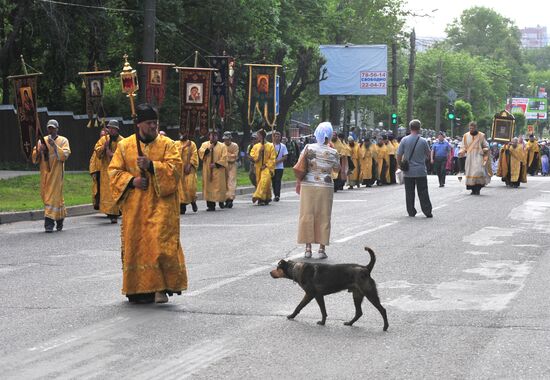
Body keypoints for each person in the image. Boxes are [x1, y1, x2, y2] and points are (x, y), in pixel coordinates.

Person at [108, 103, 188, 304]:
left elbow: (175, 169)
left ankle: (161, 287)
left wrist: (152, 166)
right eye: (150, 123)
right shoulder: (125, 146)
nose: (154, 126)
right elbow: (114, 171)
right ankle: (137, 289)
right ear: (139, 124)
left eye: (156, 122)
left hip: (162, 205)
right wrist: (132, 181)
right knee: (137, 246)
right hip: (135, 207)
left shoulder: (168, 144)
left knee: (159, 244)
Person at [296, 122, 340, 259]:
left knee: (307, 214)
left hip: (308, 185)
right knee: (324, 216)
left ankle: (308, 248)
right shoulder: (333, 151)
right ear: (329, 135)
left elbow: (300, 164)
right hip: (325, 187)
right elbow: (336, 169)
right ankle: (321, 249)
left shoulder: (308, 148)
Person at [32, 119, 71, 232]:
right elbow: (35, 158)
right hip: (45, 174)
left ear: (57, 129)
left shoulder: (63, 140)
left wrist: (54, 146)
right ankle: (60, 220)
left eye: (53, 128)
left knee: (51, 197)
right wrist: (39, 150)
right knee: (49, 196)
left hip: (57, 174)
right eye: (49, 128)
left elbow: (65, 155)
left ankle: (48, 224)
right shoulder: (42, 141)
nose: (51, 130)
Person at [396, 119, 433, 218]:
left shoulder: (404, 140)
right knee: (423, 191)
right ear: (419, 128)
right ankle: (427, 211)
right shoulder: (423, 141)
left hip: (408, 171)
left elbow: (399, 155)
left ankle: (411, 211)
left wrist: (400, 165)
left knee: (409, 192)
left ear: (410, 128)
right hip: (421, 171)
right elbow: (429, 154)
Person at [93, 120, 123, 223]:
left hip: (117, 170)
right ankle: (111, 213)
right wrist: (104, 147)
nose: (111, 130)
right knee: (107, 193)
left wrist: (112, 155)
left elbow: (125, 155)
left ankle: (115, 212)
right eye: (109, 128)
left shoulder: (122, 141)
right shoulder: (103, 140)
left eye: (113, 128)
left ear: (117, 129)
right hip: (106, 171)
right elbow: (97, 152)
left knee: (116, 191)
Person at [199, 130, 228, 211]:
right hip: (208, 170)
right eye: (212, 136)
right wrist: (208, 149)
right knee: (209, 187)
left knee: (218, 187)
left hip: (218, 170)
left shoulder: (222, 146)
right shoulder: (205, 144)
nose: (213, 137)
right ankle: (210, 205)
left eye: (215, 136)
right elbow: (201, 154)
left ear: (217, 137)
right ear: (209, 136)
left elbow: (224, 158)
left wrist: (216, 164)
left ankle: (220, 201)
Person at [459, 121, 490, 195]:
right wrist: (462, 151)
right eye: (470, 128)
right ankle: (473, 189)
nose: (471, 129)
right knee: (470, 173)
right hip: (469, 157)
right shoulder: (465, 136)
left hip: (478, 156)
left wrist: (485, 149)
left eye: (472, 128)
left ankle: (478, 188)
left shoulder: (481, 135)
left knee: (479, 171)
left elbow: (486, 145)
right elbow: (463, 146)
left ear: (475, 128)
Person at [250, 129, 276, 205]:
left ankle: (257, 196)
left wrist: (266, 165)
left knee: (265, 180)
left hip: (267, 167)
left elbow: (273, 158)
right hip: (258, 167)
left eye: (258, 135)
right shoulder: (256, 146)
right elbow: (253, 157)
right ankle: (266, 198)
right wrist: (260, 152)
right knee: (261, 182)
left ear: (262, 136)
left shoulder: (271, 146)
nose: (257, 137)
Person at [175, 131, 199, 214]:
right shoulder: (176, 143)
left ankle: (193, 201)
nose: (182, 135)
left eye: (184, 133)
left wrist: (190, 164)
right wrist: (184, 147)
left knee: (190, 187)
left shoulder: (192, 144)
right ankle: (182, 207)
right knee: (181, 189)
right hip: (179, 169)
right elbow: (175, 154)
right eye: (181, 133)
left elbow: (194, 155)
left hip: (189, 169)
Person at [89, 128, 107, 210]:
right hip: (99, 172)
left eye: (104, 135)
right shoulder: (98, 147)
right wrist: (93, 172)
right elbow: (93, 160)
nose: (102, 137)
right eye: (101, 135)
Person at [223, 131, 239, 208]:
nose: (226, 141)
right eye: (225, 139)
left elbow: (234, 157)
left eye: (228, 139)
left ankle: (230, 199)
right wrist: (228, 156)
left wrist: (227, 156)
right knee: (224, 183)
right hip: (224, 166)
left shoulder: (235, 146)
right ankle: (224, 199)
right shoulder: (222, 146)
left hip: (232, 166)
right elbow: (221, 156)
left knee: (231, 182)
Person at [272, 131, 288, 201]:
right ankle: (275, 194)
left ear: (280, 137)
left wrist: (278, 161)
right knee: (273, 181)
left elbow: (285, 156)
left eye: (278, 136)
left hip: (279, 167)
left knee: (278, 181)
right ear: (273, 137)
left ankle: (277, 195)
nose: (277, 138)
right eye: (276, 136)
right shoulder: (271, 145)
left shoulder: (283, 146)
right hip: (272, 167)